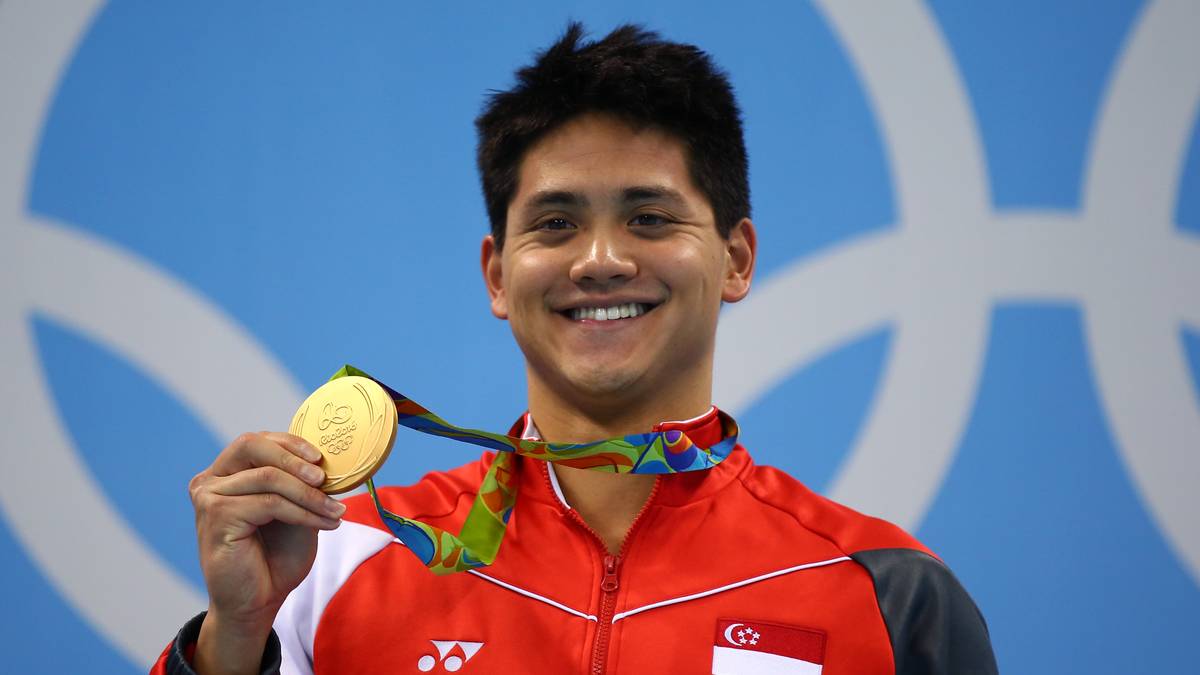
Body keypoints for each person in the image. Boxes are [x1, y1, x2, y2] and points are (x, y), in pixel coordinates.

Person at [153, 23, 997, 674]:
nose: (599, 260)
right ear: (496, 274)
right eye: (556, 224)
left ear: (736, 257)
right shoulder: (335, 562)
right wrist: (233, 639)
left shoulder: (890, 595)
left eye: (650, 217)